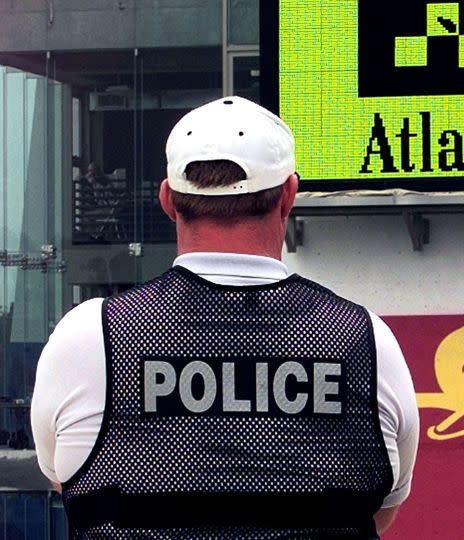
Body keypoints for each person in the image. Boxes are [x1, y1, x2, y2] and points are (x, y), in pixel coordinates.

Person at [31, 96, 419, 538]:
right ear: (289, 194)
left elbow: (65, 479)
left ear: (168, 200)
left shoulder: (88, 337)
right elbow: (382, 507)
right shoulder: (365, 341)